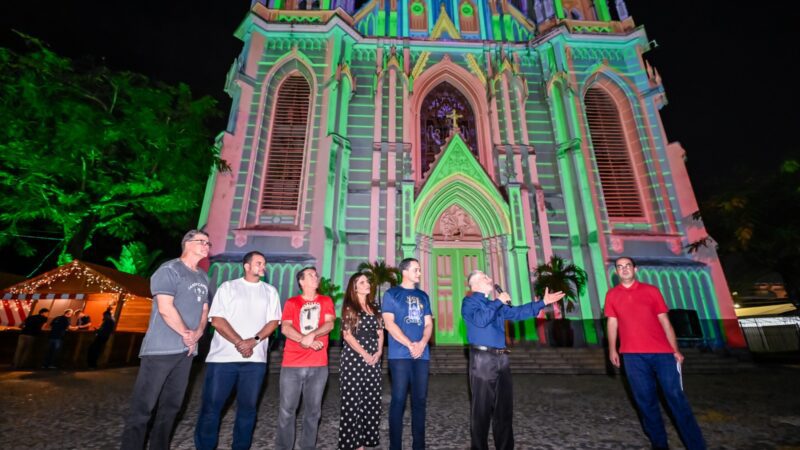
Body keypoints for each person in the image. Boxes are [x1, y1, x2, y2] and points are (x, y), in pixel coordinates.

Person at [120, 229, 211, 450]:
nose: (207, 246)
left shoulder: (203, 276)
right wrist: (186, 334)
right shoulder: (169, 270)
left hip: (186, 352)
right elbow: (165, 308)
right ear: (187, 243)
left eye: (209, 243)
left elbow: (204, 310)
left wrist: (198, 333)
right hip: (161, 350)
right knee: (144, 407)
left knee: (171, 407)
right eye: (202, 241)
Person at [605, 256, 706, 450]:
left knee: (675, 397)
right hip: (633, 356)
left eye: (628, 266)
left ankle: (696, 445)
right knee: (645, 402)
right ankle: (659, 444)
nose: (624, 269)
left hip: (662, 354)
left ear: (635, 269)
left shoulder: (651, 291)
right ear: (616, 272)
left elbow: (665, 321)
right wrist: (612, 349)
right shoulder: (612, 295)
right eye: (620, 267)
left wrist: (675, 349)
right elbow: (612, 323)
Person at [461, 270, 564, 450]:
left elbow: (517, 313)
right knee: (482, 411)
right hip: (482, 359)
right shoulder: (469, 302)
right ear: (474, 283)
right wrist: (498, 302)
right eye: (486, 277)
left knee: (504, 410)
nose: (491, 279)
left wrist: (542, 303)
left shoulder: (495, 304)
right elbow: (481, 319)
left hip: (502, 358)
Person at [195, 251, 282, 450]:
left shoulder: (270, 291)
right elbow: (217, 319)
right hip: (223, 360)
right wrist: (240, 342)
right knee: (211, 408)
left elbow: (274, 322)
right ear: (247, 265)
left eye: (264, 263)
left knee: (248, 410)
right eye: (259, 263)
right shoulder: (228, 287)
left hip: (255, 362)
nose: (263, 266)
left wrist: (254, 341)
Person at [276, 266, 335, 450]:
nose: (316, 277)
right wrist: (305, 340)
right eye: (311, 275)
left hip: (318, 365)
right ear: (301, 281)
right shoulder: (292, 302)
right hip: (292, 364)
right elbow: (285, 328)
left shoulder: (325, 300)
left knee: (313, 412)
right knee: (287, 411)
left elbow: (329, 323)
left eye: (316, 274)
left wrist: (312, 335)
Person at [381, 258, 433, 450]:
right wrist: (410, 344)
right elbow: (389, 324)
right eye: (416, 270)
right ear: (405, 272)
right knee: (399, 400)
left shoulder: (423, 296)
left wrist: (422, 343)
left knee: (419, 401)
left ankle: (419, 446)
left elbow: (428, 323)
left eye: (420, 270)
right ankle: (395, 446)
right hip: (400, 355)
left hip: (422, 355)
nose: (419, 273)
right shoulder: (391, 294)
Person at [337, 272, 384, 450]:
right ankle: (353, 444)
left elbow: (380, 331)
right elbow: (347, 336)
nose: (367, 284)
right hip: (354, 360)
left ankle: (365, 439)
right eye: (362, 282)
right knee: (352, 402)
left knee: (371, 401)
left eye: (367, 281)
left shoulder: (375, 307)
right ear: (354, 287)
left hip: (373, 359)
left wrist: (379, 351)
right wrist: (364, 354)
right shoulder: (350, 307)